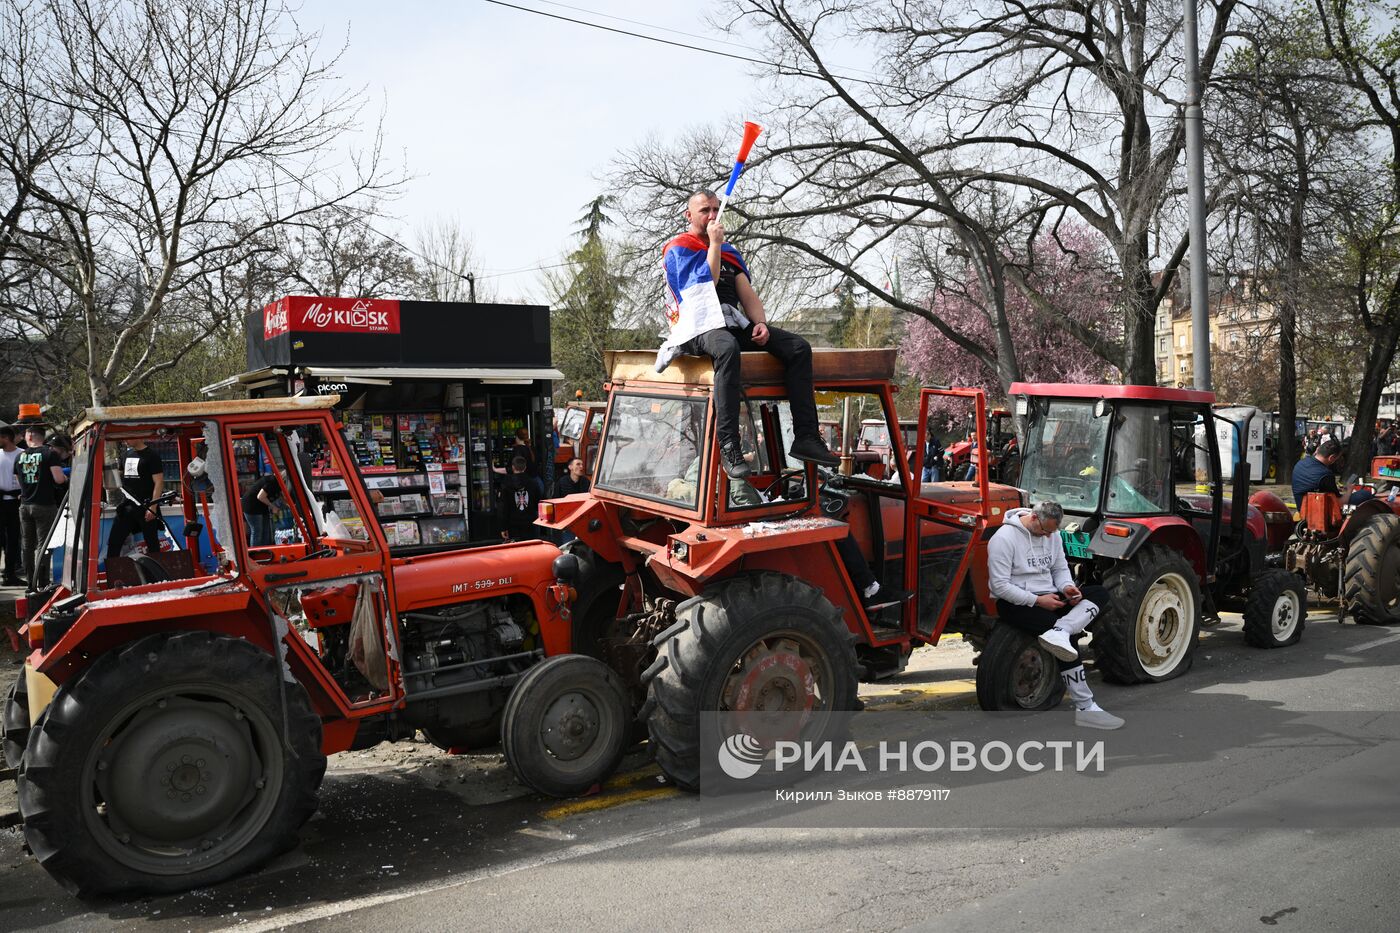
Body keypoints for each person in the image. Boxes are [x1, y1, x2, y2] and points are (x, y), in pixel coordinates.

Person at [657, 189, 839, 479]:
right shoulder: (680, 248)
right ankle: (728, 445)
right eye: (705, 210)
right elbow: (708, 282)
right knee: (727, 347)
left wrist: (761, 324)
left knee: (798, 348)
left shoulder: (729, 253)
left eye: (716, 209)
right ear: (689, 215)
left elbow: (746, 294)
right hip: (698, 326)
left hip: (729, 321)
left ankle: (806, 436)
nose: (713, 215)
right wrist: (714, 244)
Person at [986, 500, 1122, 730]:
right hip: (1017, 603)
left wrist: (1068, 587)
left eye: (1052, 532)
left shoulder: (1053, 535)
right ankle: (1086, 707)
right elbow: (999, 586)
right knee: (1067, 644)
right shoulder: (1003, 539)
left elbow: (1059, 569)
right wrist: (1038, 600)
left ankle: (1062, 630)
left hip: (1051, 597)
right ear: (1033, 518)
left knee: (1099, 592)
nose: (1049, 536)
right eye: (1045, 531)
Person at [15, 425, 67, 587]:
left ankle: (31, 582)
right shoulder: (49, 454)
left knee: (27, 545)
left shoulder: (20, 456)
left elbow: (19, 481)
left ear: (29, 437)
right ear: (42, 437)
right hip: (44, 505)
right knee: (44, 545)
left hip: (25, 505)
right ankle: (42, 582)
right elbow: (58, 479)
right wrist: (66, 478)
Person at [105, 437, 165, 563]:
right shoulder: (126, 454)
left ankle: (157, 576)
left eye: (128, 437)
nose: (125, 441)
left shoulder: (152, 455)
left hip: (146, 504)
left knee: (151, 542)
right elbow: (119, 475)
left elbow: (159, 482)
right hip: (127, 505)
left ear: (137, 435)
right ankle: (113, 574)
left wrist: (153, 507)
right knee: (114, 541)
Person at [499, 455, 544, 541]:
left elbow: (503, 508)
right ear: (525, 467)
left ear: (513, 467)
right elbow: (538, 503)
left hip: (512, 524)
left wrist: (503, 527)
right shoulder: (533, 483)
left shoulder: (506, 484)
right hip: (530, 523)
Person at [0, 427, 22, 585]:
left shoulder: (22, 454)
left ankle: (10, 574)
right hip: (0, 501)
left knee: (13, 540)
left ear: (6, 437)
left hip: (16, 501)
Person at [242, 472, 285, 547]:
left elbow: (283, 496)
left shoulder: (278, 484)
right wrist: (273, 507)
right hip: (252, 505)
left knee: (266, 531)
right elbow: (260, 496)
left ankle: (266, 550)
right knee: (257, 531)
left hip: (262, 506)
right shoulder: (272, 482)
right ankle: (255, 553)